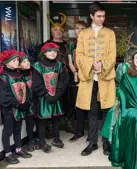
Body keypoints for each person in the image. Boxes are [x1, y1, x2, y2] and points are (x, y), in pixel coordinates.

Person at [75, 1, 116, 156]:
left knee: (107, 111)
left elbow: (112, 55)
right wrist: (91, 64)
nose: (101, 19)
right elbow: (80, 55)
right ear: (91, 16)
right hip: (89, 78)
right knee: (91, 112)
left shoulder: (110, 33)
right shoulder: (84, 34)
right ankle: (92, 142)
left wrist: (102, 65)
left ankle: (106, 142)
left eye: (103, 16)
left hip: (105, 78)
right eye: (98, 16)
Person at [32, 42, 68, 153]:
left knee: (56, 119)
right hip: (43, 98)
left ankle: (56, 139)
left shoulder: (60, 65)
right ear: (44, 53)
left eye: (55, 51)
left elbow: (63, 81)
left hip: (56, 97)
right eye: (50, 51)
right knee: (42, 120)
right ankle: (41, 141)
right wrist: (46, 94)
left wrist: (57, 95)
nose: (52, 53)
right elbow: (36, 83)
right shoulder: (38, 66)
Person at [0, 50, 32, 164]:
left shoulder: (19, 75)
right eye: (14, 60)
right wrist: (18, 104)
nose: (17, 62)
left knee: (18, 129)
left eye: (18, 60)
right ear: (7, 62)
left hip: (20, 108)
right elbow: (4, 96)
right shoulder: (3, 77)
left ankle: (18, 149)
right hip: (9, 110)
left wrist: (26, 102)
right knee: (8, 131)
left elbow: (26, 90)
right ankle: (8, 153)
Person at [67, 21, 88, 143]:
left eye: (82, 28)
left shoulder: (90, 43)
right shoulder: (71, 44)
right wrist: (76, 73)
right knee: (78, 104)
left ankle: (91, 133)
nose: (79, 30)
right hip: (76, 76)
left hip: (88, 76)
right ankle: (79, 131)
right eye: (77, 28)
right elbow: (70, 62)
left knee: (90, 105)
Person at [18, 52, 38, 152]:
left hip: (36, 100)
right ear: (19, 65)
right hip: (27, 103)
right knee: (29, 123)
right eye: (24, 62)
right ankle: (30, 141)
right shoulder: (18, 75)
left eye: (28, 61)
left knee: (39, 120)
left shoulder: (34, 71)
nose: (27, 63)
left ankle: (39, 138)